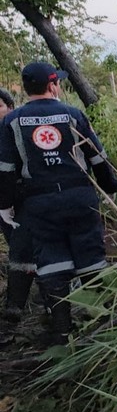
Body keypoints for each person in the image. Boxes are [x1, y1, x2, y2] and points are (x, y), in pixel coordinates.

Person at [0, 63, 117, 345]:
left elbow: (5, 169)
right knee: (91, 257)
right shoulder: (73, 114)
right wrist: (110, 187)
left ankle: (61, 331)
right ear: (53, 85)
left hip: (39, 205)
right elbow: (98, 157)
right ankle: (103, 324)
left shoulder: (12, 121)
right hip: (80, 199)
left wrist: (4, 205)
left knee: (52, 263)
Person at [0, 88, 37, 337]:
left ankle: (14, 313)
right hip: (4, 203)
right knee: (17, 247)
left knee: (23, 251)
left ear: (9, 107)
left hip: (24, 202)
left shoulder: (18, 128)